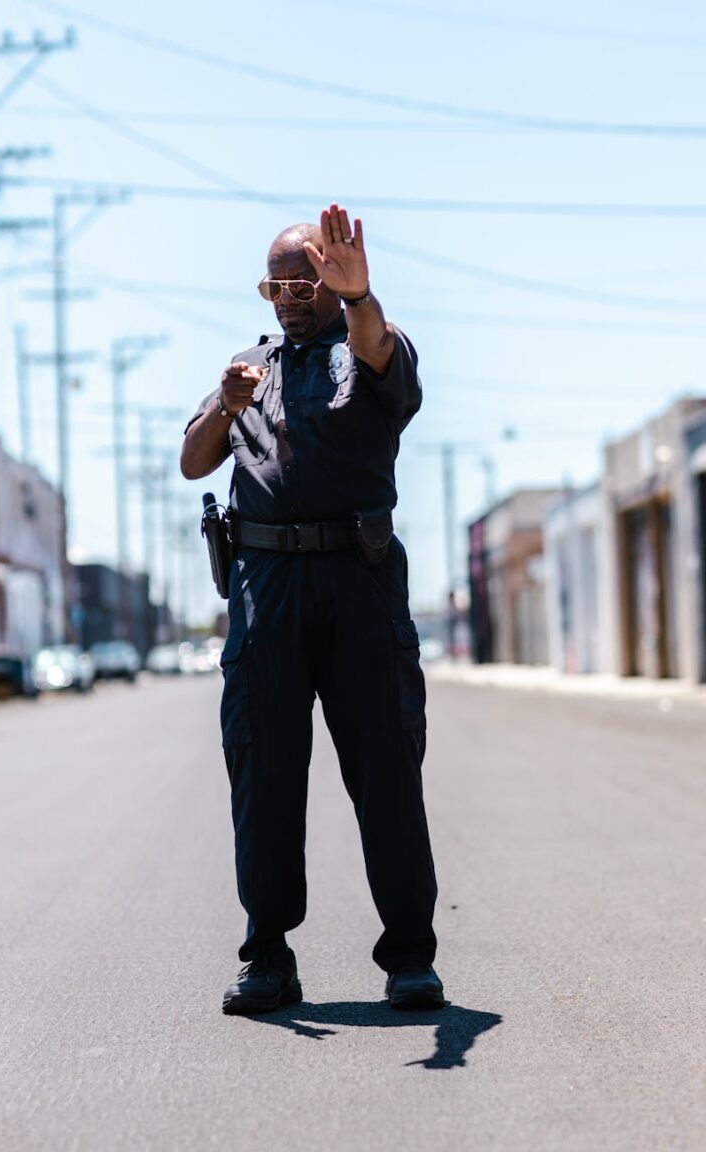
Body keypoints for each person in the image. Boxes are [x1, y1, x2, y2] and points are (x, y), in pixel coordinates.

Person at [181, 204, 443, 1015]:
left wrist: (361, 296)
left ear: (330, 277)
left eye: (306, 278)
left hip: (357, 579)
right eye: (277, 283)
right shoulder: (245, 368)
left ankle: (409, 956)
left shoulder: (368, 349)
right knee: (263, 771)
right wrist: (224, 404)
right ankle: (267, 955)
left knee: (386, 768)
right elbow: (194, 462)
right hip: (265, 590)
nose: (291, 294)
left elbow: (377, 349)